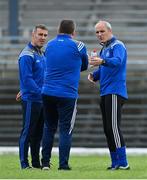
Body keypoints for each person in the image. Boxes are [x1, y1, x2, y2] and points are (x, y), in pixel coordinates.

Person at [41, 19, 88, 170]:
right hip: (67, 94)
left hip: (47, 91)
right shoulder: (79, 45)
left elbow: (49, 63)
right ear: (73, 32)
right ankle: (63, 165)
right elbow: (85, 65)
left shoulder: (49, 45)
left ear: (58, 30)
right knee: (65, 129)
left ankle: (45, 163)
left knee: (49, 127)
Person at [88, 20, 130, 170]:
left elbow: (118, 62)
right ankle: (115, 162)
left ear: (109, 31)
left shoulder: (117, 45)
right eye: (97, 32)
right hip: (105, 91)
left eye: (102, 31)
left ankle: (123, 162)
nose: (99, 34)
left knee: (113, 127)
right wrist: (95, 75)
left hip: (115, 91)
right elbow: (105, 68)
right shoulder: (104, 49)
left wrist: (103, 61)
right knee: (107, 128)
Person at [17, 24, 48, 169]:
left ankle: (36, 163)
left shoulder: (42, 54)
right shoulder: (26, 54)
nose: (43, 38)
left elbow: (41, 76)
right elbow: (27, 79)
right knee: (28, 131)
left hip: (41, 100)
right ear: (33, 35)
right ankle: (24, 164)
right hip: (31, 99)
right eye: (40, 35)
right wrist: (40, 93)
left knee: (38, 134)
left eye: (45, 35)